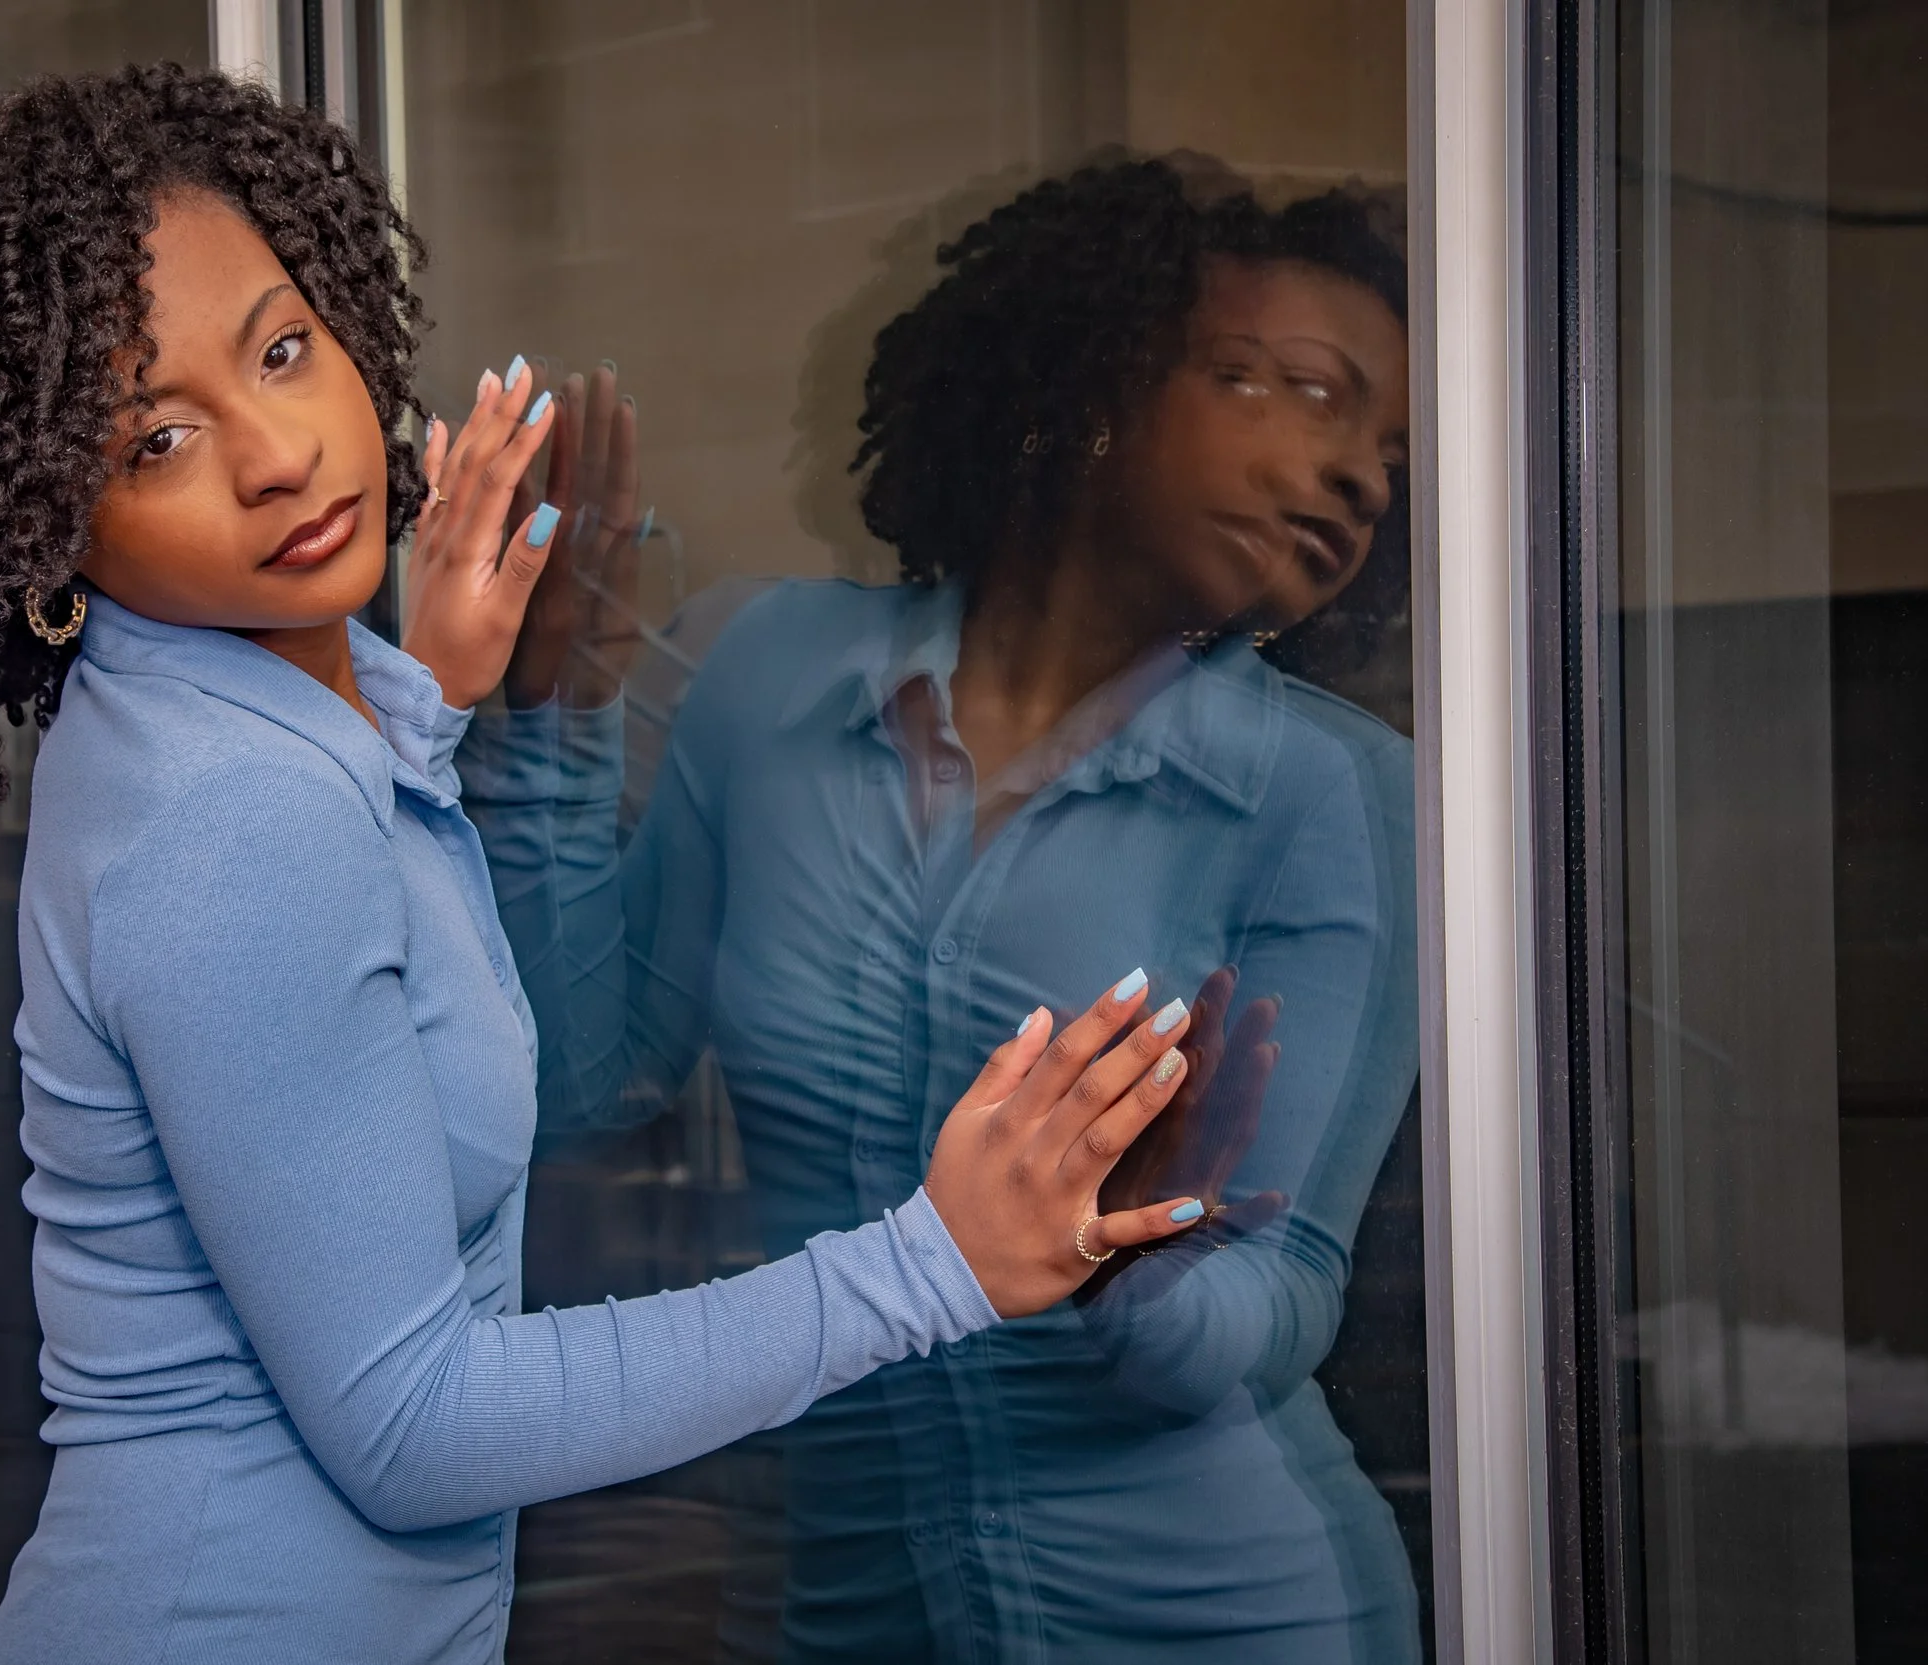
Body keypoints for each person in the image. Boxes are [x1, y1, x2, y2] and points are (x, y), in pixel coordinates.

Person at [0, 67, 1220, 1665]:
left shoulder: (203, 732)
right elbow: (416, 1431)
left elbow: (341, 972)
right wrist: (929, 1268)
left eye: (282, 349)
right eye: (153, 437)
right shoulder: (232, 818)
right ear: (37, 523)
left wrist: (417, 700)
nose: (276, 453)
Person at [463, 155, 1421, 1660]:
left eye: (1386, 440)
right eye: (1296, 387)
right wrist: (546, 724)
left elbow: (1285, 1301)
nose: (1361, 467)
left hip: (1214, 1625)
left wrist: (1139, 1265)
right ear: (1090, 385)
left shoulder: (1328, 799)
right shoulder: (767, 674)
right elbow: (587, 1078)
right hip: (846, 1617)